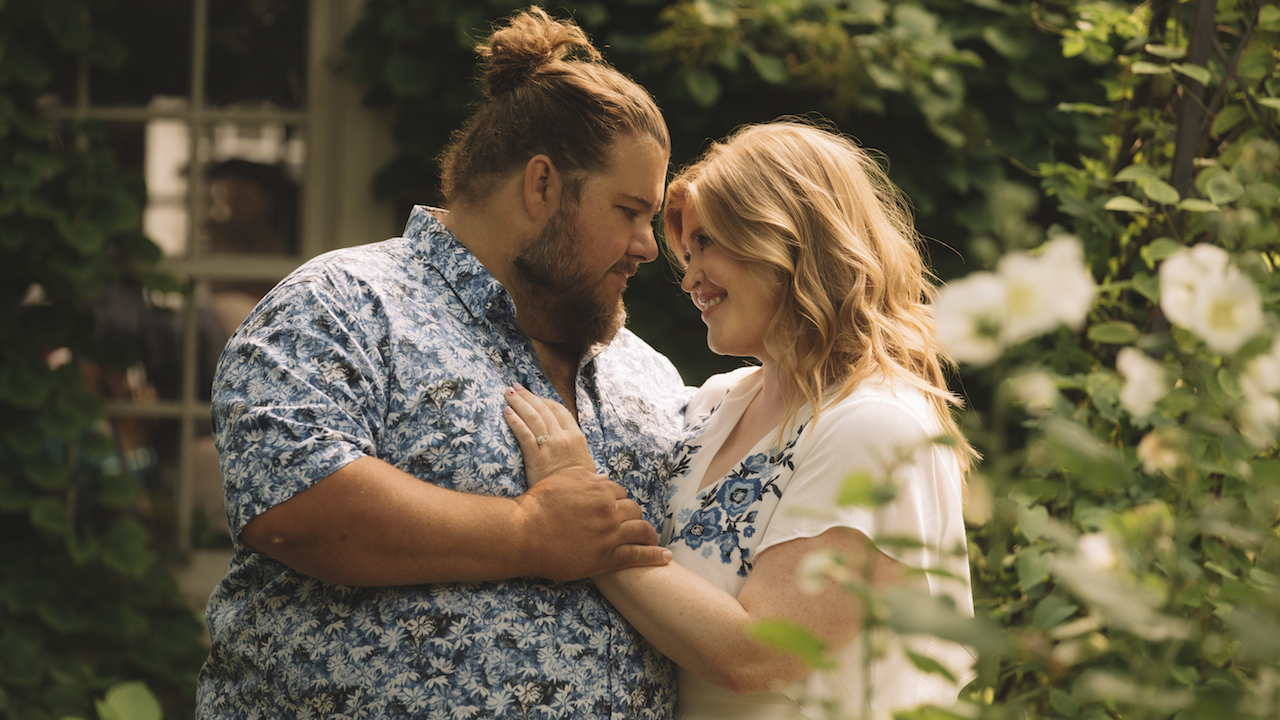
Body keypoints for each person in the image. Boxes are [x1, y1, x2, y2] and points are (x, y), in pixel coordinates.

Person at [196, 8, 691, 719]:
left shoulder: (647, 374)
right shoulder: (343, 305)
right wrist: (528, 532)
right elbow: (291, 505)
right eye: (629, 211)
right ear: (542, 185)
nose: (647, 245)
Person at [503, 120, 979, 720]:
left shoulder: (874, 422)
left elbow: (760, 655)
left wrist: (581, 519)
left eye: (707, 243)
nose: (689, 278)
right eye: (688, 253)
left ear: (788, 237)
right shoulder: (716, 403)